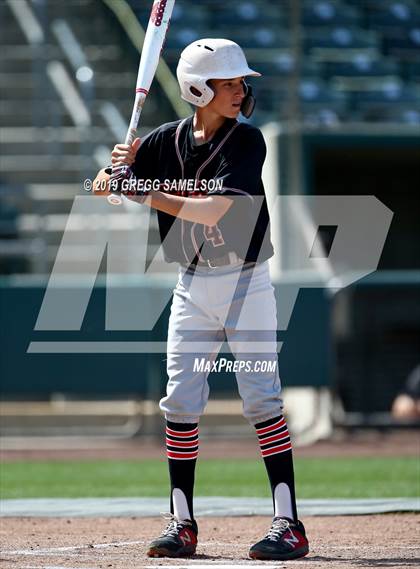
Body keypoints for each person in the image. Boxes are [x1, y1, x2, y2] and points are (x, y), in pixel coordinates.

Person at [94, 38, 309, 561]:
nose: (240, 91)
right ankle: (182, 523)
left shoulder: (247, 141)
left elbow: (217, 211)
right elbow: (98, 184)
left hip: (246, 284)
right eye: (230, 82)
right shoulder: (162, 141)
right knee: (181, 401)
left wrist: (142, 189)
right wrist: (116, 168)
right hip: (191, 284)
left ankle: (289, 524)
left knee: (261, 397)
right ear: (198, 89)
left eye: (240, 82)